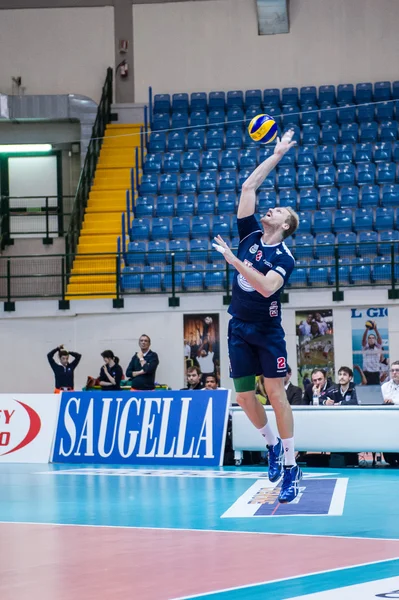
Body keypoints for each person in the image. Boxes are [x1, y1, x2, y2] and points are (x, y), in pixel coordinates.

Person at [213, 129, 302, 503]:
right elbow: (249, 186)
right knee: (244, 397)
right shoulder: (249, 234)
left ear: (284, 225)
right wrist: (277, 153)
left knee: (275, 393)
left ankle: (292, 464)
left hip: (267, 330)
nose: (271, 208)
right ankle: (270, 447)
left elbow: (266, 287)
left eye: (279, 210)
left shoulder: (285, 258)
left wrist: (234, 262)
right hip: (238, 326)